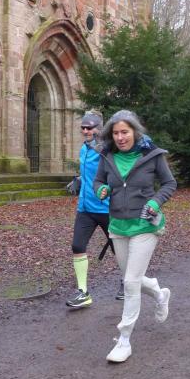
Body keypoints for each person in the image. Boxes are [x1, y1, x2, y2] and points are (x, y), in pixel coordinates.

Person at [94, 110, 177, 363]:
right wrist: (102, 189)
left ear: (135, 132)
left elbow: (169, 184)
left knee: (130, 282)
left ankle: (124, 339)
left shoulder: (152, 155)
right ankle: (159, 293)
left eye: (125, 132)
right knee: (132, 278)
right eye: (116, 133)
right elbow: (98, 181)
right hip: (118, 226)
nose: (120, 137)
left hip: (145, 224)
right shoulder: (107, 156)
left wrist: (155, 201)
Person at [65, 112, 124, 309]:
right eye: (83, 127)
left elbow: (118, 175)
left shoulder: (108, 150)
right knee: (77, 246)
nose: (85, 131)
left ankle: (127, 281)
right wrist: (79, 180)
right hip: (85, 208)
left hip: (106, 208)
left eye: (89, 128)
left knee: (119, 249)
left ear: (99, 129)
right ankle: (83, 292)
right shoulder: (84, 148)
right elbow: (90, 174)